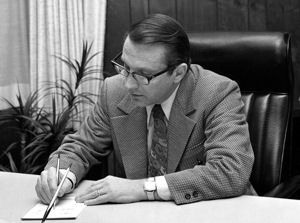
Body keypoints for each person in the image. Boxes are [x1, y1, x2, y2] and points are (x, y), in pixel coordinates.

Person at [35, 13, 256, 205]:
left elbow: (230, 171)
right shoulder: (114, 91)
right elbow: (81, 147)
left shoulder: (217, 93)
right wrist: (61, 174)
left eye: (143, 75)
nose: (129, 84)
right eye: (125, 67)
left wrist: (141, 188)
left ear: (178, 73)